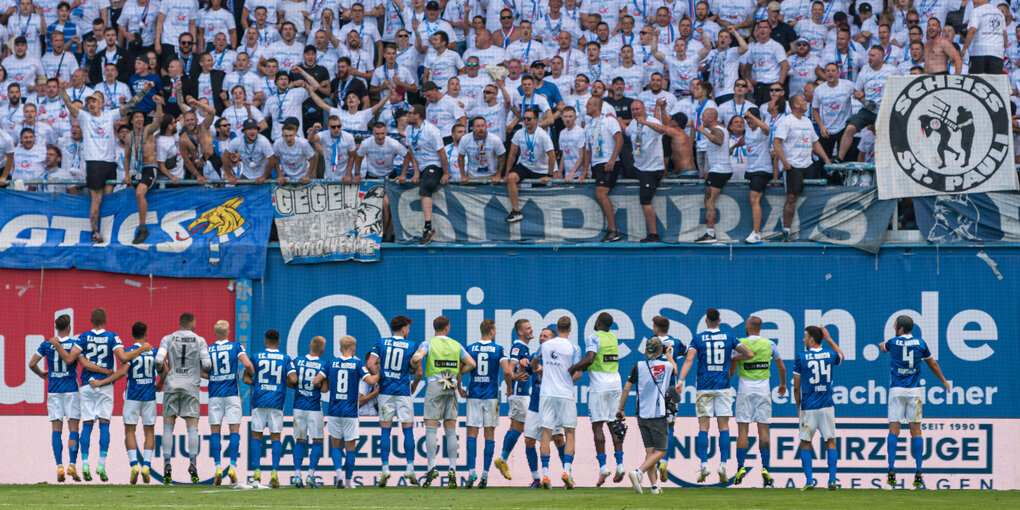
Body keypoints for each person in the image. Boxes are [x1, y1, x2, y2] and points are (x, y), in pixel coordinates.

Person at [60, 81, 151, 243]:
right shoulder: (84, 117)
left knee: (108, 199)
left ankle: (109, 231)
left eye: (94, 101)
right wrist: (61, 89)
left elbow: (130, 105)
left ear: (102, 104)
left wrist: (144, 90)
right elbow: (68, 103)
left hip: (110, 163)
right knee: (96, 199)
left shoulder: (110, 115)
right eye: (88, 102)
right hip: (94, 163)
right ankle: (95, 232)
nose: (90, 104)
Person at [675, 308, 753, 483]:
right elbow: (749, 354)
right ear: (719, 320)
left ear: (705, 321)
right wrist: (734, 358)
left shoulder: (698, 338)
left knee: (703, 427)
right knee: (723, 426)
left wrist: (680, 380)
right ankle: (723, 464)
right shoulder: (729, 337)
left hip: (704, 387)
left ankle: (704, 464)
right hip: (723, 386)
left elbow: (689, 360)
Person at [879, 315, 951, 490]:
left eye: (895, 325)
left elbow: (883, 348)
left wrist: (882, 344)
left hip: (896, 390)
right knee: (916, 431)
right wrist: (943, 380)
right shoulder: (920, 343)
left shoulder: (893, 342)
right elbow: (932, 364)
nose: (894, 327)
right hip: (914, 391)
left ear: (901, 328)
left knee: (894, 430)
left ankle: (890, 468)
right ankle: (918, 471)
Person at [82, 322, 155, 485]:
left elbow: (122, 373)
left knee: (130, 431)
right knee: (149, 431)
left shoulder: (129, 352)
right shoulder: (153, 351)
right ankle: (147, 466)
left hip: (132, 397)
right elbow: (164, 368)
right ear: (146, 334)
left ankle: (134, 465)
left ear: (132, 335)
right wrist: (159, 382)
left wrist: (103, 382)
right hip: (150, 396)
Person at [409, 316, 476, 487]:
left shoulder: (429, 343)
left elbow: (417, 358)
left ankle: (432, 466)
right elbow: (471, 363)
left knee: (431, 429)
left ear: (435, 328)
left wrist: (413, 362)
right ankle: (452, 468)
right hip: (452, 386)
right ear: (447, 328)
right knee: (450, 430)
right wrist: (459, 370)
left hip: (435, 385)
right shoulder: (456, 344)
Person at [314, 335, 379, 489]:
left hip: (334, 411)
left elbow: (316, 381)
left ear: (340, 348)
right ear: (354, 349)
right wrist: (382, 375)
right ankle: (349, 482)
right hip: (350, 412)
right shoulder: (357, 364)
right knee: (350, 448)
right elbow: (370, 381)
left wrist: (327, 382)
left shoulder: (331, 363)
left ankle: (339, 476)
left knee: (335, 446)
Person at [728, 316, 786, 487]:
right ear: (760, 328)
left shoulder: (739, 343)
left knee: (743, 432)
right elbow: (781, 367)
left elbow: (731, 371)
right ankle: (766, 468)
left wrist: (732, 369)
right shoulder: (769, 344)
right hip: (763, 391)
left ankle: (740, 467)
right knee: (764, 432)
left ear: (747, 327)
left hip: (745, 391)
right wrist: (782, 384)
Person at [153, 313, 210, 485]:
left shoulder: (168, 338)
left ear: (179, 323)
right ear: (193, 324)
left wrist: (161, 372)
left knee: (168, 428)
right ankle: (193, 464)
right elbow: (207, 365)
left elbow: (158, 359)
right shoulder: (200, 340)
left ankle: (167, 465)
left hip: (172, 385)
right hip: (191, 387)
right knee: (192, 428)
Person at [568, 312, 624, 485]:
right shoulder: (613, 338)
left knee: (597, 425)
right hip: (615, 384)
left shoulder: (594, 337)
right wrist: (581, 368)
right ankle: (620, 465)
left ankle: (603, 466)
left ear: (598, 322)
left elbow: (590, 359)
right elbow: (600, 360)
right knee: (615, 425)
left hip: (599, 386)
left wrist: (573, 368)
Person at [367, 315, 421, 487]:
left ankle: (385, 468)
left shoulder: (381, 343)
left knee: (385, 431)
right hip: (403, 392)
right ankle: (410, 468)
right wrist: (414, 385)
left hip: (385, 392)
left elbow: (370, 364)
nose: (409, 330)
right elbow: (418, 371)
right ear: (404, 328)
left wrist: (379, 375)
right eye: (408, 328)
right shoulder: (412, 345)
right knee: (408, 430)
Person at [618, 336, 677, 495]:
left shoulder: (638, 366)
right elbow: (675, 370)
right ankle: (638, 472)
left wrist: (621, 409)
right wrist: (669, 355)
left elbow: (626, 389)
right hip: (658, 414)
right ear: (660, 351)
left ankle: (653, 486)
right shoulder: (666, 365)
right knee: (661, 452)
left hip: (641, 415)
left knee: (650, 452)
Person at [28, 314, 83, 483]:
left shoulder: (47, 344)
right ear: (69, 327)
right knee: (73, 426)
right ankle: (72, 464)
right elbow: (73, 360)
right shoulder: (75, 344)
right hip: (71, 391)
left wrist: (41, 373)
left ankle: (59, 466)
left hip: (54, 391)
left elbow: (31, 364)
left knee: (56, 429)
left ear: (56, 327)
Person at [793, 325, 844, 490]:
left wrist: (798, 406)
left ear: (812, 339)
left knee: (806, 443)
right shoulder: (830, 355)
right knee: (830, 441)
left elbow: (796, 386)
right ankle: (832, 480)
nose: (803, 339)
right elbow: (842, 356)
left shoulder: (802, 358)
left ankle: (809, 481)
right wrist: (829, 339)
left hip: (809, 406)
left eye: (805, 336)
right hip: (827, 406)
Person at [243, 329, 296, 489]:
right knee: (275, 438)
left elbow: (246, 379)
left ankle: (257, 472)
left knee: (256, 437)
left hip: (259, 400)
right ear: (279, 341)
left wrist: (258, 384)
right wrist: (282, 382)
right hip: (277, 401)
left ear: (265, 340)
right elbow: (293, 379)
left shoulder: (256, 357)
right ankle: (274, 472)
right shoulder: (286, 359)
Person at [773, 95, 830, 242]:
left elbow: (815, 143)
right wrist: (785, 163)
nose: (806, 103)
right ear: (797, 105)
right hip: (793, 165)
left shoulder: (807, 121)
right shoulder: (786, 121)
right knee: (791, 198)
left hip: (808, 164)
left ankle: (813, 230)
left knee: (813, 195)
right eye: (803, 102)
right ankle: (786, 231)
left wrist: (826, 160)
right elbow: (776, 143)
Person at [206, 320, 254, 486]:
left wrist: (213, 376)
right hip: (232, 394)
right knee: (234, 430)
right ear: (227, 333)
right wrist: (249, 373)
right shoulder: (236, 346)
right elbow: (247, 364)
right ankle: (232, 466)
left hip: (214, 395)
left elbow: (203, 372)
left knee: (215, 431)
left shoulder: (208, 349)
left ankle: (218, 467)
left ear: (215, 333)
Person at [464, 319, 511, 488]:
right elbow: (506, 370)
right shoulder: (498, 349)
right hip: (491, 396)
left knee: (472, 434)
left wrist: (458, 387)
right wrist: (509, 387)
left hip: (474, 395)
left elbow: (460, 368)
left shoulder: (470, 348)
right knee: (489, 435)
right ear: (492, 332)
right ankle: (485, 474)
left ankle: (471, 473)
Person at [537, 317, 582, 489]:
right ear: (570, 329)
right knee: (569, 432)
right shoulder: (574, 347)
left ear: (557, 328)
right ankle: (566, 471)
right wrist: (568, 380)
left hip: (547, 393)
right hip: (565, 393)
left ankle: (546, 475)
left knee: (546, 433)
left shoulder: (545, 345)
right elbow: (578, 373)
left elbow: (535, 361)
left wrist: (538, 369)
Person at [493, 319, 534, 480]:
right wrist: (511, 382)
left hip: (521, 395)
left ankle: (502, 459)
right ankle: (502, 459)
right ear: (520, 332)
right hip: (519, 395)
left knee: (515, 427)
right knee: (520, 427)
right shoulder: (518, 347)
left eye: (531, 327)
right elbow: (509, 368)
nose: (531, 330)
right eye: (527, 328)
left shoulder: (524, 347)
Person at [402, 103, 449, 245]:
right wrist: (416, 172)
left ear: (417, 116)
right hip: (421, 165)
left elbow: (442, 153)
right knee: (418, 181)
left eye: (409, 113)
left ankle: (428, 227)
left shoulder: (431, 130)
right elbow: (412, 152)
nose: (407, 115)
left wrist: (446, 173)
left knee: (426, 186)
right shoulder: (409, 129)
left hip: (434, 164)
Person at [648, 316, 686, 482]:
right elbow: (686, 351)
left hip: (654, 390)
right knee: (669, 427)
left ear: (656, 328)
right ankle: (664, 461)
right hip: (670, 391)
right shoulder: (676, 342)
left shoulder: (652, 342)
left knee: (653, 430)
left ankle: (654, 466)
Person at [501, 108, 554, 223]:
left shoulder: (542, 135)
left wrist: (550, 175)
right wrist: (507, 173)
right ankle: (516, 211)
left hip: (540, 170)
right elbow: (512, 155)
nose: (526, 121)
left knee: (540, 201)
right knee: (511, 178)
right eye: (524, 119)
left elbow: (552, 156)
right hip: (525, 166)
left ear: (536, 120)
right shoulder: (519, 133)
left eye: (529, 119)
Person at [583, 96, 624, 242]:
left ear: (595, 106)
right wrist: (583, 172)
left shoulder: (608, 120)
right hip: (596, 164)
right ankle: (612, 229)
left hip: (608, 162)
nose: (586, 107)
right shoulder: (588, 125)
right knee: (600, 194)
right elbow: (587, 150)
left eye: (588, 104)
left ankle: (614, 230)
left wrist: (613, 159)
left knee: (600, 194)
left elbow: (620, 139)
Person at [290, 336, 327, 488]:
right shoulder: (323, 365)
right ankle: (310, 475)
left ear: (309, 345)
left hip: (298, 406)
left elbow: (290, 381)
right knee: (317, 440)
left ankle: (297, 476)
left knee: (300, 441)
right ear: (323, 350)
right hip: (314, 408)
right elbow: (324, 389)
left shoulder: (297, 361)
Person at [694, 109, 733, 244]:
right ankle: (709, 233)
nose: (702, 119)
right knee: (709, 200)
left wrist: (702, 131)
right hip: (719, 169)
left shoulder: (717, 130)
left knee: (709, 201)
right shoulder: (720, 128)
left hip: (719, 171)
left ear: (711, 118)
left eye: (703, 117)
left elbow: (719, 140)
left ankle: (710, 234)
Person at [741, 108, 773, 244]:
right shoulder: (748, 130)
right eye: (747, 119)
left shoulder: (762, 129)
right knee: (753, 200)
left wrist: (753, 117)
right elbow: (746, 140)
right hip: (751, 169)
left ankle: (756, 232)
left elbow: (766, 129)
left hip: (762, 169)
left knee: (754, 199)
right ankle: (755, 231)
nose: (749, 121)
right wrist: (733, 147)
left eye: (751, 118)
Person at [963, 0, 1007, 75]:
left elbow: (972, 30)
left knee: (976, 81)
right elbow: (1004, 34)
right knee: (994, 83)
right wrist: (1003, 50)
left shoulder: (977, 11)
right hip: (997, 53)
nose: (973, 1)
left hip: (979, 53)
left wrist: (964, 48)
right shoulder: (999, 13)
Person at [457, 116, 506, 182]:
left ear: (486, 127)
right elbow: (460, 157)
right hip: (472, 175)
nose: (481, 128)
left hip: (491, 175)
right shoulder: (465, 139)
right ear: (472, 128)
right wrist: (463, 175)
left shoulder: (495, 139)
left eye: (483, 126)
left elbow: (502, 157)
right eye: (478, 126)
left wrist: (498, 174)